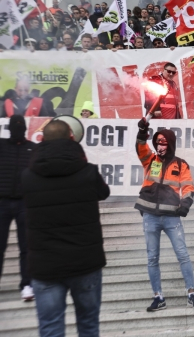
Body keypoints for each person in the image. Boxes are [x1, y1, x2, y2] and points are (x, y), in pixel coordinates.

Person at [22, 119, 111, 337]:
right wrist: (81, 161)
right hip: (85, 263)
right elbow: (104, 193)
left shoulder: (27, 177)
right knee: (88, 325)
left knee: (51, 327)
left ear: (41, 140)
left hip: (45, 267)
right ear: (72, 138)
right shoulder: (88, 172)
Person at [135, 118, 194, 311]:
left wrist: (186, 203)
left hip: (172, 216)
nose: (160, 145)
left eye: (164, 142)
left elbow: (188, 186)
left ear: (171, 144)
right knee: (152, 258)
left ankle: (192, 293)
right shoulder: (150, 159)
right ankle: (158, 297)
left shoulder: (181, 165)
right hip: (150, 215)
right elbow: (141, 146)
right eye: (158, 142)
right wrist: (142, 132)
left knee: (183, 255)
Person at [0, 115, 35, 302]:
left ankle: (27, 284)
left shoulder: (33, 148)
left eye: (21, 127)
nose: (18, 131)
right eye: (15, 127)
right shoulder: (2, 146)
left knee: (26, 247)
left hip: (24, 203)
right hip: (2, 202)